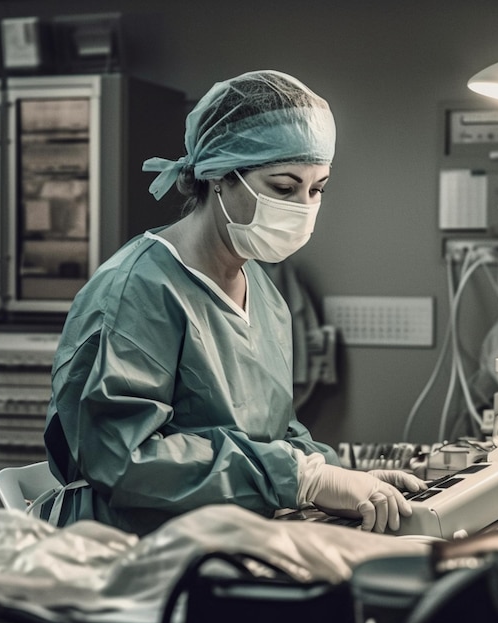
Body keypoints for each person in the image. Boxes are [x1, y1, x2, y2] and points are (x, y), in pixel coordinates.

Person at [41, 70, 425, 537]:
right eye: (284, 187)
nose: (303, 206)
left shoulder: (260, 290)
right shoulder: (135, 290)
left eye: (317, 188)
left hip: (229, 536)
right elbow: (124, 458)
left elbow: (272, 433)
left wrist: (338, 474)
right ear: (220, 175)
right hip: (130, 549)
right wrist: (300, 479)